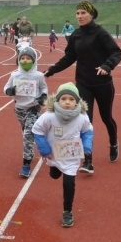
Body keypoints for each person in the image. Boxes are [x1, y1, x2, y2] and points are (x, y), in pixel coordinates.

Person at [44, 0, 121, 171]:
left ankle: (113, 142)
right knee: (85, 121)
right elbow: (69, 57)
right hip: (83, 84)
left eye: (83, 13)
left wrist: (107, 66)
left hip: (103, 84)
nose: (79, 16)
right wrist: (52, 70)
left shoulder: (101, 33)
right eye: (77, 13)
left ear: (91, 15)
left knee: (106, 118)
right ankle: (88, 160)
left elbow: (116, 52)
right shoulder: (76, 35)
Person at [33, 82, 94, 228]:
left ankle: (67, 212)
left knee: (68, 183)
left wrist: (87, 147)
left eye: (71, 99)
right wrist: (44, 149)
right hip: (53, 154)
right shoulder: (49, 116)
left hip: (71, 157)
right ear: (57, 100)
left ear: (77, 101)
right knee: (55, 175)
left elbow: (87, 131)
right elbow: (37, 130)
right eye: (64, 99)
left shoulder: (82, 117)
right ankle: (54, 168)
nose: (67, 102)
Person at [4, 45, 49, 178]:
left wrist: (43, 96)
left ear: (33, 60)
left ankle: (26, 165)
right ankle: (30, 149)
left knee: (28, 135)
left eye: (28, 58)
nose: (25, 60)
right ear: (18, 60)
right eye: (22, 58)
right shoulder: (14, 75)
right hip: (19, 109)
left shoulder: (39, 76)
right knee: (25, 131)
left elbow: (44, 88)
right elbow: (6, 87)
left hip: (33, 108)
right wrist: (9, 91)